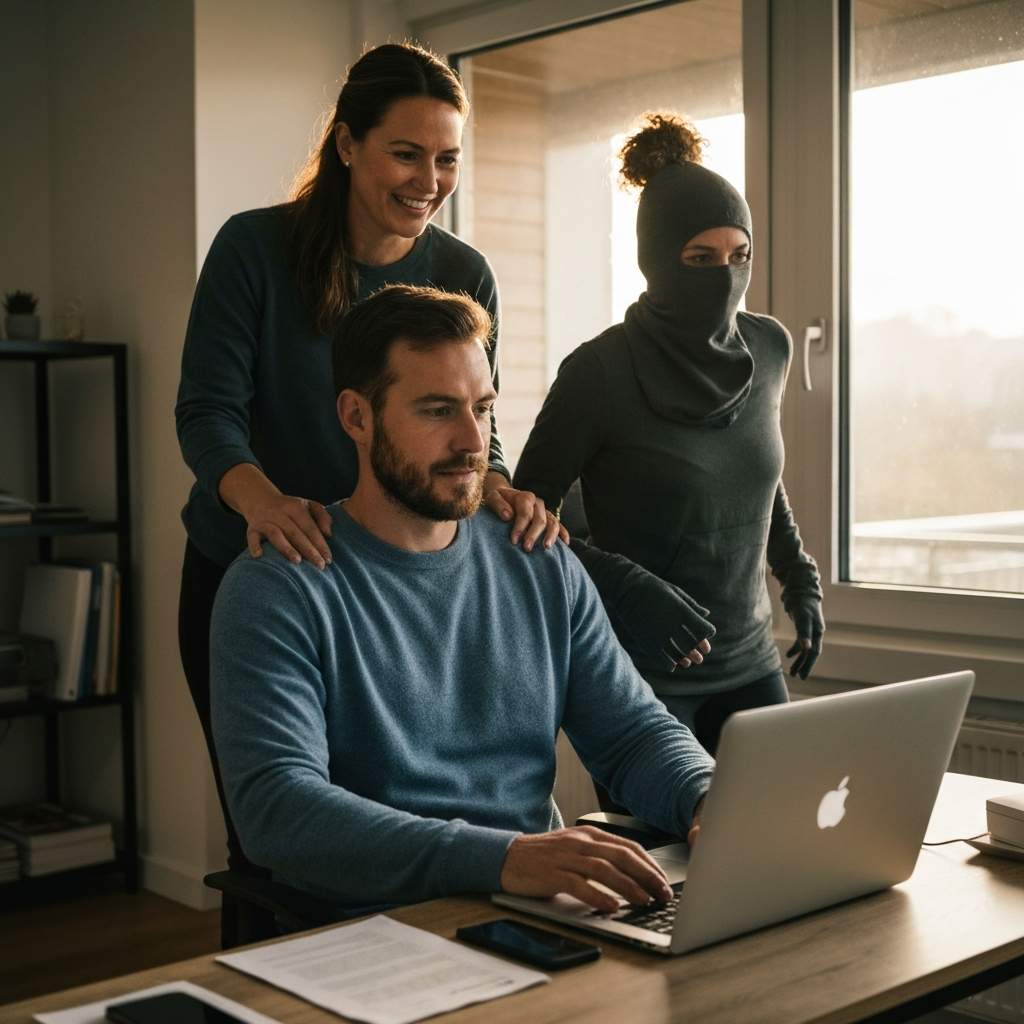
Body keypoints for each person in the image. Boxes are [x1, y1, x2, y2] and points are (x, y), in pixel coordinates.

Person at [176, 43, 563, 874]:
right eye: (406, 153)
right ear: (347, 145)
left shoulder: (465, 272)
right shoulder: (254, 250)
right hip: (261, 565)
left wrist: (499, 487)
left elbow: (477, 424)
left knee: (392, 829)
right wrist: (265, 504)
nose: (429, 179)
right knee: (282, 846)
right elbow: (207, 414)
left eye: (448, 158)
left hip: (387, 582)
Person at [209, 285, 715, 918]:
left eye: (483, 407)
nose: (474, 441)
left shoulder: (540, 557)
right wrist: (502, 858)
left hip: (537, 906)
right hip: (379, 930)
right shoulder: (278, 588)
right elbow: (278, 810)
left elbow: (634, 733)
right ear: (356, 417)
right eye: (437, 411)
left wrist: (709, 799)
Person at [513, 113, 824, 770]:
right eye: (699, 259)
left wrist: (799, 577)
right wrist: (625, 589)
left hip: (750, 662)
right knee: (672, 870)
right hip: (639, 675)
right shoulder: (599, 372)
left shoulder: (768, 347)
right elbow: (520, 522)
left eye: (739, 256)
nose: (724, 277)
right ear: (656, 261)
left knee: (785, 852)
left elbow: (754, 471)